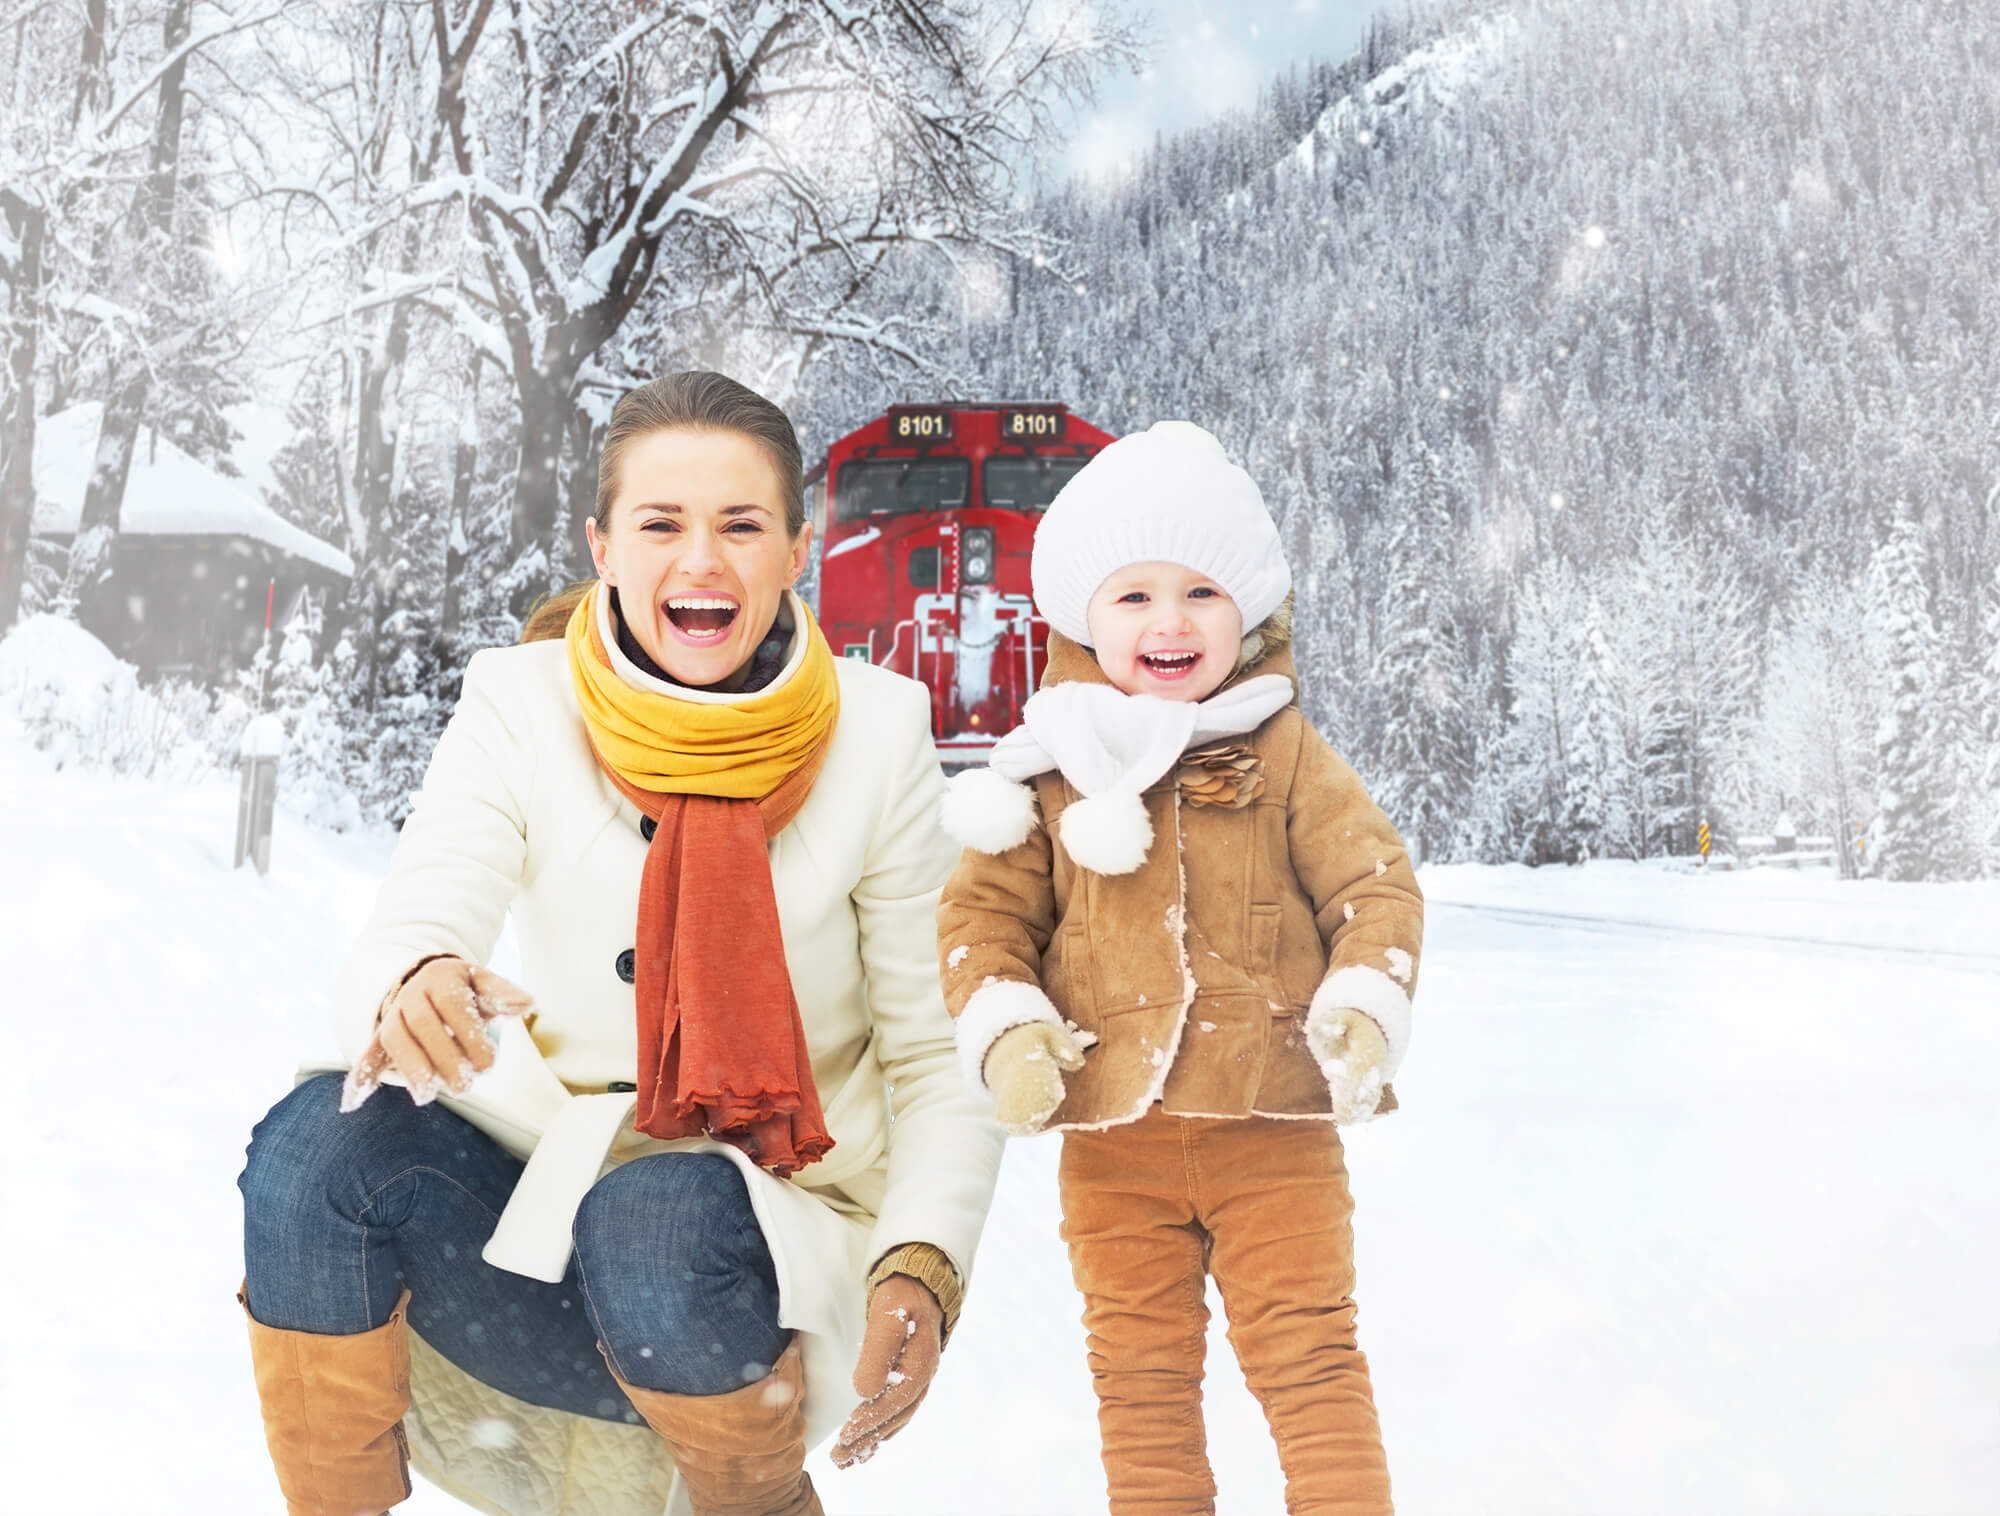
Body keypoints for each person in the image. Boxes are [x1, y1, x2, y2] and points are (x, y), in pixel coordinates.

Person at [236, 371, 1003, 1516]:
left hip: (756, 1270)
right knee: (311, 1149)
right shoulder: (519, 699)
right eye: (660, 524)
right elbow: (426, 896)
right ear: (603, 545)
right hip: (542, 1247)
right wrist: (419, 975)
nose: (700, 561)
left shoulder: (880, 732)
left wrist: (926, 1262)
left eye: (741, 525)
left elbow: (934, 1057)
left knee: (655, 1216)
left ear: (797, 548)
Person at [936, 420, 1424, 1516]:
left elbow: (1372, 885)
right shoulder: (1046, 772)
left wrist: (1361, 997)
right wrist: (1010, 1029)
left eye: (1200, 592)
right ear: (1082, 617)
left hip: (1272, 1129)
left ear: (1245, 611)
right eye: (1134, 595)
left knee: (1308, 1362)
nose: (1168, 620)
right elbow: (981, 920)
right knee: (1140, 1380)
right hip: (1114, 1140)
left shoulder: (1284, 747)